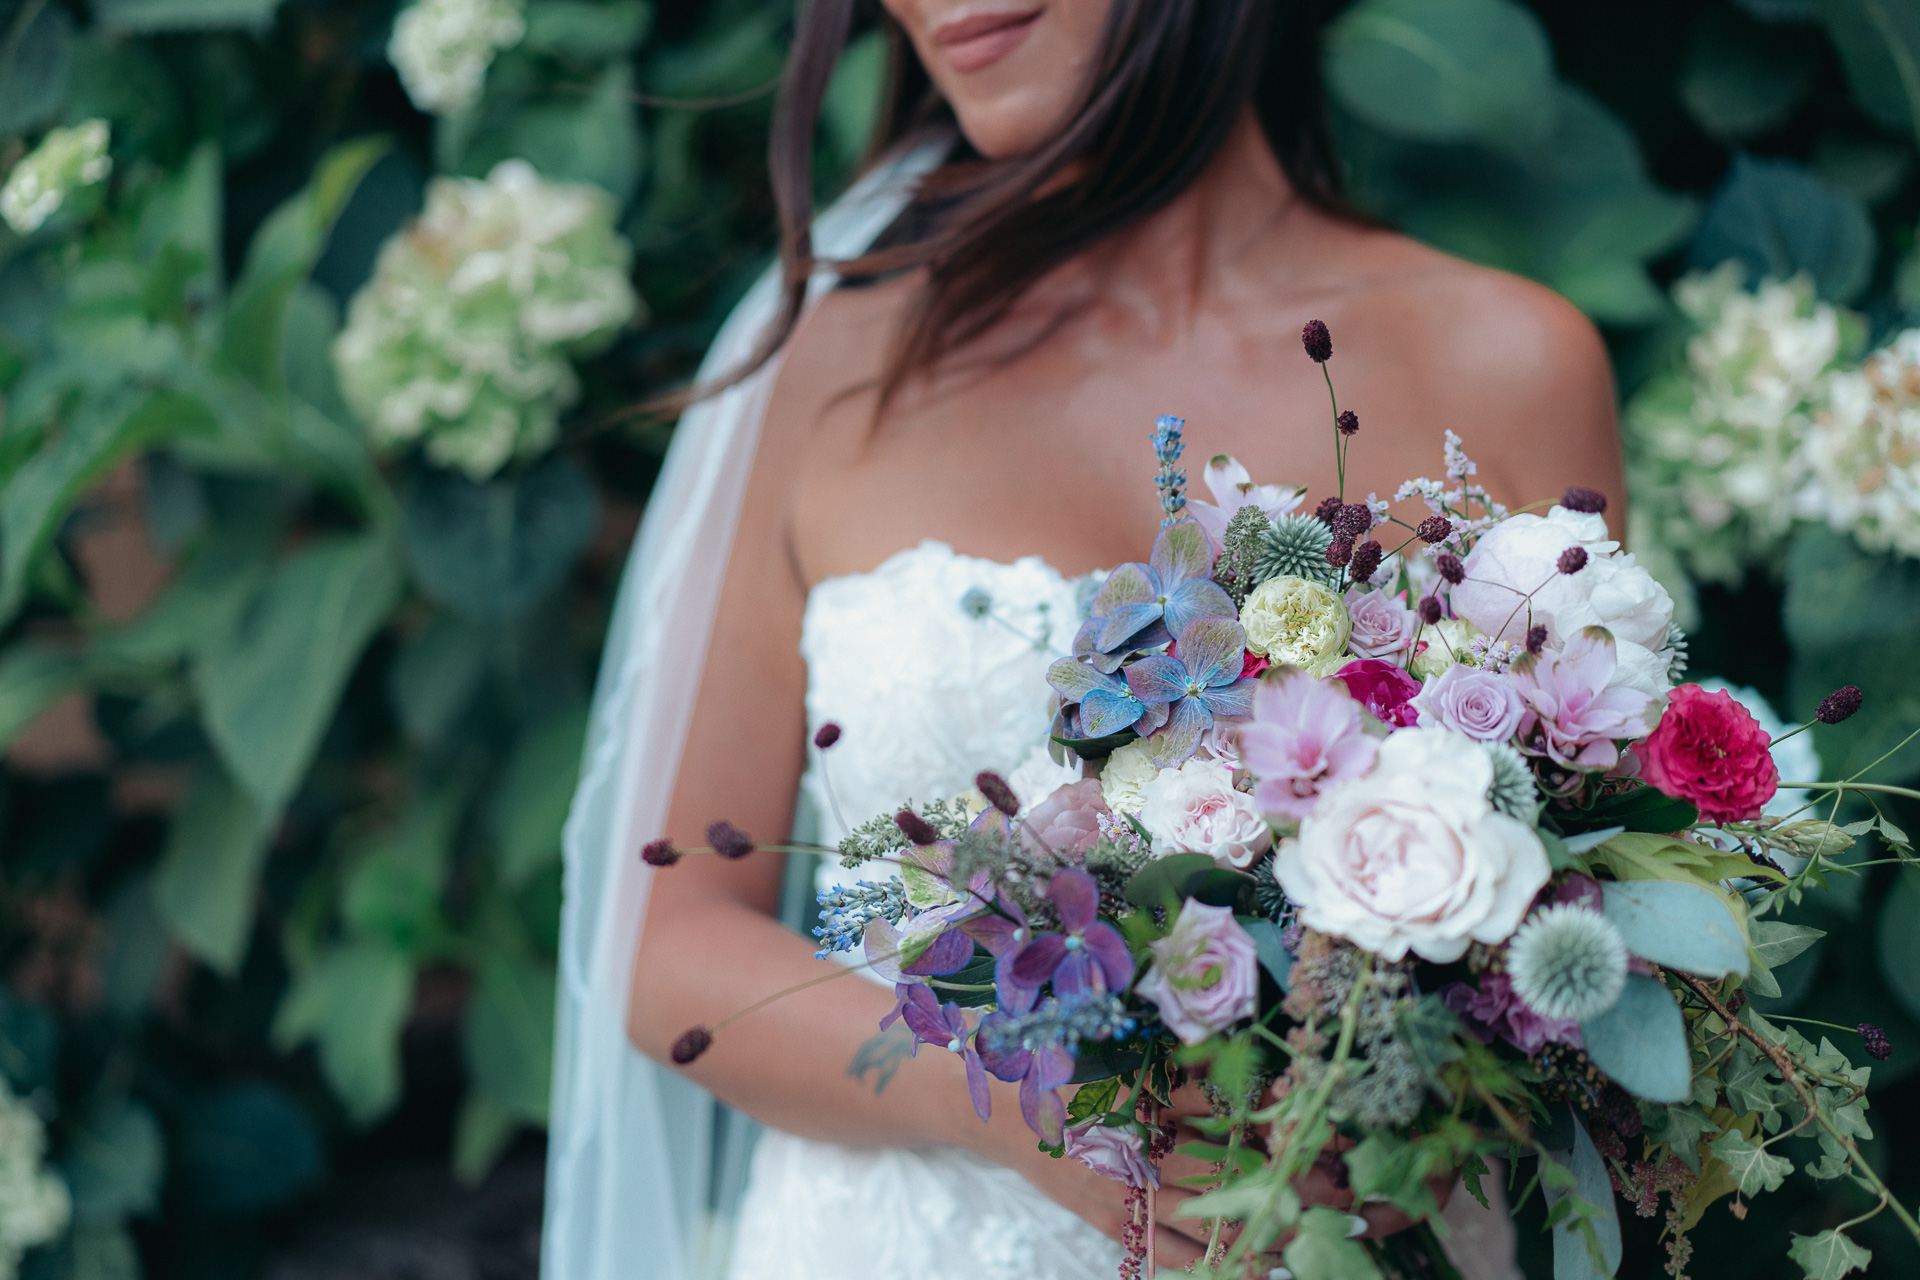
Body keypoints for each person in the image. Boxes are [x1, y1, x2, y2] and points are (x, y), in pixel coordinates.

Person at [546, 2, 1621, 1278]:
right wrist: (1015, 1101)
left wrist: (1452, 1101)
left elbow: (1593, 912)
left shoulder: (1510, 361)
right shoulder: (829, 363)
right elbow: (667, 944)